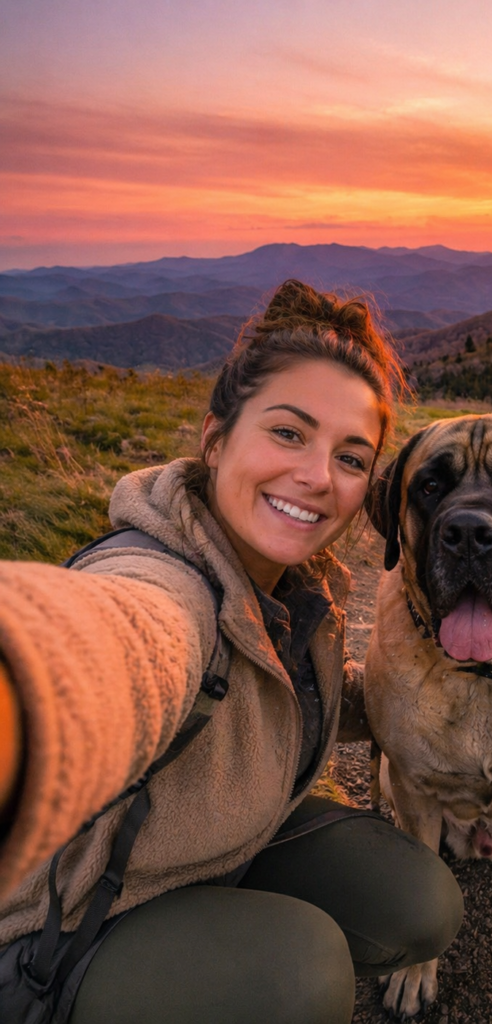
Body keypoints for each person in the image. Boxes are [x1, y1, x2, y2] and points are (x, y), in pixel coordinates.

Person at [0, 280, 464, 1024]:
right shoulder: (161, 584)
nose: (317, 477)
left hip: (212, 849)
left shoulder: (295, 587)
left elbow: (286, 695)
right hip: (57, 933)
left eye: (350, 456)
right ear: (216, 439)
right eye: (287, 433)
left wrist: (438, 690)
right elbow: (119, 645)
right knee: (298, 972)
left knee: (419, 902)